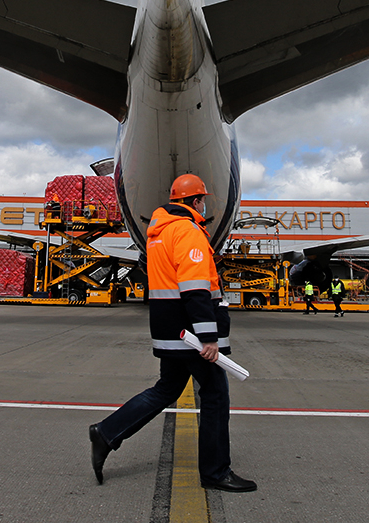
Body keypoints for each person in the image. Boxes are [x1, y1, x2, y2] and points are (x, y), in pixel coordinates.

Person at [89, 174, 255, 493]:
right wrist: (208, 338)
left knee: (166, 389)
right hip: (192, 334)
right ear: (194, 202)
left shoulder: (158, 232)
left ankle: (107, 432)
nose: (204, 205)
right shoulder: (188, 231)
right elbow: (195, 288)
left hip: (170, 329)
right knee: (216, 395)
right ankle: (215, 471)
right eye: (202, 199)